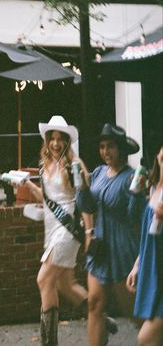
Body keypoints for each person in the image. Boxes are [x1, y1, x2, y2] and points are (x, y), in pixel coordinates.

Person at [23, 115, 94, 346]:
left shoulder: (74, 166)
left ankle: (49, 342)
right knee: (66, 286)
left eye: (59, 139)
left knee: (43, 280)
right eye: (51, 138)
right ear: (47, 141)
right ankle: (101, 316)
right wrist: (25, 184)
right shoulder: (45, 166)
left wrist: (88, 233)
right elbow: (46, 199)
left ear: (66, 141)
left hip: (68, 229)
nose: (55, 143)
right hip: (52, 229)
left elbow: (84, 200)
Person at [77, 123, 146, 346]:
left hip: (123, 250)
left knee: (134, 313)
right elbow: (87, 207)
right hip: (100, 249)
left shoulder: (131, 176)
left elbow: (134, 218)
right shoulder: (97, 173)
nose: (106, 152)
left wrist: (136, 195)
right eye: (102, 147)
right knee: (94, 304)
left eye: (111, 147)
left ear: (121, 149)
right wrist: (83, 188)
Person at [126, 144, 163, 346]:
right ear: (157, 156)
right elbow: (146, 236)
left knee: (145, 339)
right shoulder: (153, 188)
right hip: (152, 272)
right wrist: (138, 264)